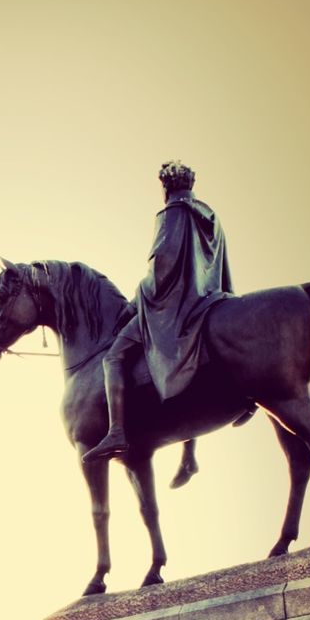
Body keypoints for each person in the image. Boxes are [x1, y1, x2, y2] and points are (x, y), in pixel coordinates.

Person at [86, 160, 233, 461]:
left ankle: (116, 432)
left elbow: (162, 267)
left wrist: (136, 300)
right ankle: (189, 453)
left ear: (166, 189)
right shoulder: (211, 218)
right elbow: (221, 265)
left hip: (171, 307)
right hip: (207, 300)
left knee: (113, 356)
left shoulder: (171, 214)